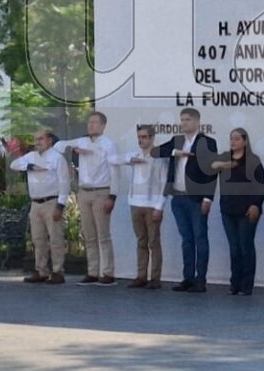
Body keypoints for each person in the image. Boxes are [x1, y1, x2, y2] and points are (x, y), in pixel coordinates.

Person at [151, 108, 220, 293]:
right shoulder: (177, 140)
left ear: (197, 122)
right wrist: (176, 152)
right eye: (182, 120)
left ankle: (200, 279)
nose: (184, 123)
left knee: (200, 238)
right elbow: (155, 152)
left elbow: (211, 172)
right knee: (186, 239)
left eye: (188, 119)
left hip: (196, 198)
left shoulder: (207, 142)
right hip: (179, 197)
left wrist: (208, 198)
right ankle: (188, 278)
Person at [56, 111, 119, 286]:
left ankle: (108, 273)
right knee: (89, 235)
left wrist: (112, 196)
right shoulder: (82, 141)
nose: (91, 125)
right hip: (84, 192)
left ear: (103, 126)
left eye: (95, 122)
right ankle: (92, 272)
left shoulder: (108, 145)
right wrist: (72, 149)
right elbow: (59, 145)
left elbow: (115, 171)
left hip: (101, 191)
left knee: (103, 234)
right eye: (89, 122)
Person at [8, 129, 70, 285]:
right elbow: (14, 164)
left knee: (55, 238)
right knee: (38, 239)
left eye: (41, 139)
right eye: (36, 139)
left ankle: (58, 271)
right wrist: (30, 166)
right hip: (35, 203)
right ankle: (41, 270)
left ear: (49, 140)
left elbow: (64, 182)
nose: (38, 142)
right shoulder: (31, 156)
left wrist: (60, 205)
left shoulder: (57, 158)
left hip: (51, 202)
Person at [212, 128, 264, 296]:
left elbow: (260, 184)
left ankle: (246, 285)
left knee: (245, 246)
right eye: (231, 138)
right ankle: (234, 283)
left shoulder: (253, 160)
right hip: (228, 209)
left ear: (245, 141)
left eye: (236, 139)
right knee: (234, 248)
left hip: (247, 209)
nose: (233, 141)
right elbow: (210, 165)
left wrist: (255, 204)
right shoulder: (224, 157)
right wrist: (222, 165)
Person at [121, 125, 166, 289]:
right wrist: (129, 160)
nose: (141, 140)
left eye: (144, 137)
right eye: (139, 137)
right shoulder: (134, 155)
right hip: (135, 204)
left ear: (152, 138)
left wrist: (159, 206)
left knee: (153, 242)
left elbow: (164, 183)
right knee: (141, 241)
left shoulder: (160, 157)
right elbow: (113, 159)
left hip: (152, 205)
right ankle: (141, 276)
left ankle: (155, 277)